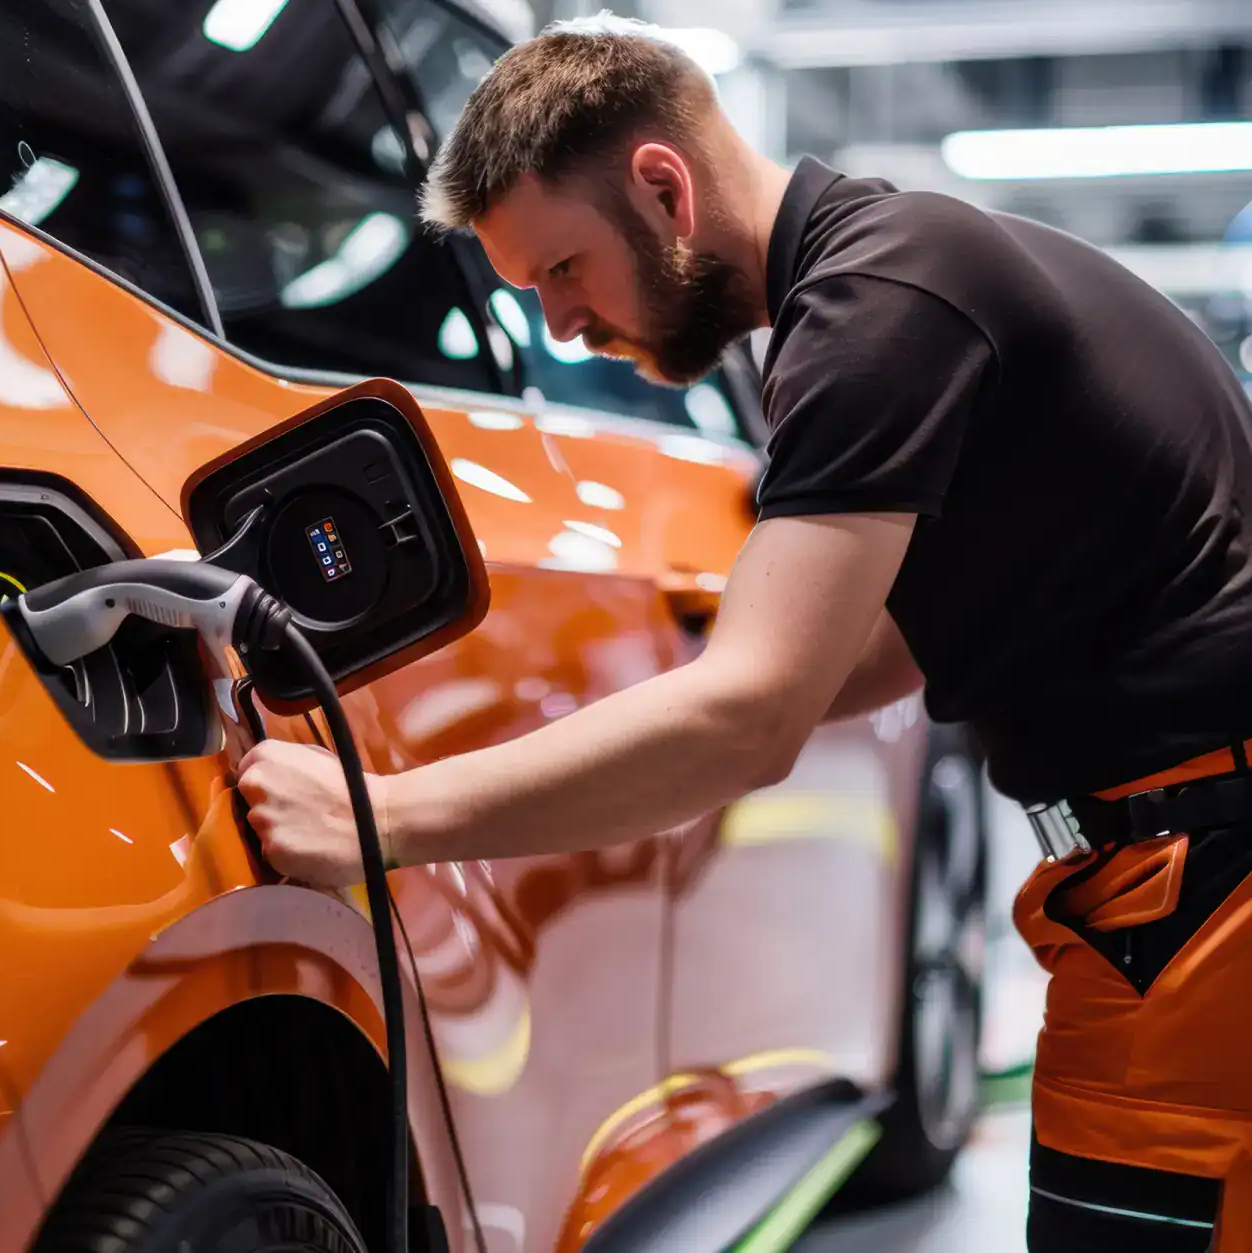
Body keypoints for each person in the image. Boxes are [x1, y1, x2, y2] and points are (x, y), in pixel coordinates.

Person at [234, 14, 1252, 1252]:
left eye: (563, 269)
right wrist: (649, 722)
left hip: (1202, 888)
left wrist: (375, 816)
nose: (559, 326)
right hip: (1179, 871)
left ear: (663, 187)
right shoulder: (895, 272)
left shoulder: (878, 305)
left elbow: (751, 718)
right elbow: (882, 646)